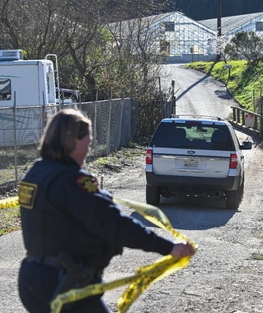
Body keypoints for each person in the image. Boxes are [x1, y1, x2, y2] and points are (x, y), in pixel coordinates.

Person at [17, 108, 195, 313]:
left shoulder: (37, 172)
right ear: (73, 140)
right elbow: (113, 224)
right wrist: (169, 247)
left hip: (32, 278)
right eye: (88, 142)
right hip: (65, 285)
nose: (88, 150)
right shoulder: (72, 181)